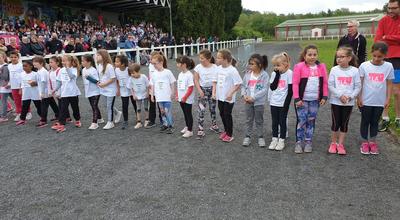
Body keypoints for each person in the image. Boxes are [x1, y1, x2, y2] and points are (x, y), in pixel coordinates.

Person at [358, 42, 394, 155]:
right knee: (365, 121)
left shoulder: (388, 66)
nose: (377, 58)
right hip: (366, 100)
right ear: (371, 53)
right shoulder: (364, 66)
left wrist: (388, 99)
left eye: (380, 56)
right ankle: (364, 142)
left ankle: (372, 142)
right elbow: (360, 83)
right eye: (374, 56)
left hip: (379, 101)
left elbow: (389, 84)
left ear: (385, 55)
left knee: (374, 122)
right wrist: (359, 97)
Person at [292, 45, 328, 153]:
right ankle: (298, 142)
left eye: (314, 54)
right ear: (304, 55)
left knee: (311, 121)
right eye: (309, 54)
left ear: (317, 55)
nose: (312, 57)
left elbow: (325, 83)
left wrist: (324, 96)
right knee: (302, 121)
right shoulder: (299, 66)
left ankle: (308, 142)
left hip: (314, 101)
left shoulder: (321, 67)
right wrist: (297, 98)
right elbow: (295, 84)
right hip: (302, 100)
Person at [328, 47, 361, 155]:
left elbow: (357, 86)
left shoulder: (355, 71)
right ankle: (333, 143)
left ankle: (340, 144)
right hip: (336, 101)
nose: (339, 59)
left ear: (349, 58)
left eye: (342, 57)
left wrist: (350, 97)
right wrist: (340, 96)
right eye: (337, 57)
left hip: (348, 102)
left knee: (344, 123)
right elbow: (331, 85)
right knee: (335, 123)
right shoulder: (334, 70)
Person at [375, 0, 400, 131]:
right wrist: (392, 38)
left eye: (394, 8)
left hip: (397, 59)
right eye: (389, 8)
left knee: (396, 91)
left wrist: (387, 37)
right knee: (384, 89)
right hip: (384, 58)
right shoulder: (383, 21)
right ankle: (384, 118)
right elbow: (378, 39)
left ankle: (398, 118)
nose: (390, 11)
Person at [241, 54, 269, 147]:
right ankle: (247, 136)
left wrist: (254, 97)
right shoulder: (248, 74)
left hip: (259, 103)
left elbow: (264, 89)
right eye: (249, 64)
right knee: (249, 120)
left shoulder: (264, 75)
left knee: (259, 120)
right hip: (248, 102)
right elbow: (243, 86)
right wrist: (244, 95)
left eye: (252, 64)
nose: (250, 66)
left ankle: (260, 137)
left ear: (259, 65)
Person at [215, 49, 242, 142]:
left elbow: (238, 84)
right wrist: (214, 93)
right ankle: (226, 131)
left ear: (225, 59)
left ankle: (230, 134)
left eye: (219, 58)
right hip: (220, 97)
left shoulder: (232, 70)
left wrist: (230, 93)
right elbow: (215, 82)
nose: (216, 59)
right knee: (222, 113)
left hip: (229, 98)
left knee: (227, 114)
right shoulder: (218, 69)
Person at [268, 52, 293, 151]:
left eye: (278, 65)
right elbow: (272, 87)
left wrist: (286, 105)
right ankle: (274, 139)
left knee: (282, 122)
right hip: (274, 102)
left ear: (286, 64)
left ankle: (281, 140)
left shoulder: (290, 73)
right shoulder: (274, 73)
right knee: (274, 122)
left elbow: (290, 92)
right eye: (274, 65)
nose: (276, 67)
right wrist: (277, 74)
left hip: (283, 103)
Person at [51, 55, 82, 133]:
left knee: (75, 108)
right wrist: (55, 89)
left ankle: (77, 120)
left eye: (65, 61)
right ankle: (61, 124)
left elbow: (71, 76)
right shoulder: (61, 70)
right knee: (63, 109)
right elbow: (59, 81)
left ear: (71, 62)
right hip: (64, 93)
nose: (63, 62)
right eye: (62, 61)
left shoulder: (74, 69)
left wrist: (68, 68)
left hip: (73, 93)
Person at [193, 49, 220, 139]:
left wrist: (214, 92)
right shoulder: (198, 67)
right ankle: (200, 129)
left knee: (212, 109)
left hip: (213, 90)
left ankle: (214, 125)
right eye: (199, 58)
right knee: (201, 110)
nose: (200, 60)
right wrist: (199, 90)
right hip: (202, 91)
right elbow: (196, 80)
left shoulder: (215, 67)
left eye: (202, 58)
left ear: (208, 59)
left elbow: (217, 81)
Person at [149, 53, 176, 134]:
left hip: (167, 96)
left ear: (161, 62)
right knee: (162, 111)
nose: (154, 65)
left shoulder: (168, 72)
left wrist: (173, 92)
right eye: (152, 63)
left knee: (167, 111)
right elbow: (152, 85)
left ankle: (171, 125)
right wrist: (152, 96)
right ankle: (165, 124)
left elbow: (172, 83)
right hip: (159, 97)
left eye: (155, 63)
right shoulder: (154, 74)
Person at [96, 49, 122, 130]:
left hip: (110, 90)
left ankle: (110, 122)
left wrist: (104, 84)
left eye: (98, 55)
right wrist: (99, 83)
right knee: (106, 105)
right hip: (103, 89)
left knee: (108, 106)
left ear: (103, 56)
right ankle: (117, 113)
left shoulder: (109, 66)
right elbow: (102, 77)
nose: (96, 57)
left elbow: (113, 78)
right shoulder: (99, 66)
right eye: (96, 55)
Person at [33, 56, 59, 127]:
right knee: (52, 103)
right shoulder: (39, 71)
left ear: (41, 63)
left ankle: (43, 120)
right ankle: (58, 115)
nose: (33, 63)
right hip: (47, 91)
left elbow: (43, 83)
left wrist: (41, 92)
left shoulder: (43, 72)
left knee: (44, 106)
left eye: (36, 62)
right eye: (33, 62)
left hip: (45, 92)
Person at [15, 61, 41, 126]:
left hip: (34, 92)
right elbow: (21, 83)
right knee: (25, 106)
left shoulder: (35, 74)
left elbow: (39, 83)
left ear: (31, 66)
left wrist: (35, 83)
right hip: (26, 92)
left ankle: (43, 118)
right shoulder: (21, 74)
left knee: (38, 106)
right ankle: (22, 119)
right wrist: (20, 89)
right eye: (23, 66)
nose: (24, 67)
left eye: (26, 66)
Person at [115, 54, 137, 129]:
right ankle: (125, 121)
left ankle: (138, 118)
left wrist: (134, 90)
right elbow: (117, 81)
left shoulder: (128, 69)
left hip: (131, 90)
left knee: (135, 104)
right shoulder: (116, 70)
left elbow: (133, 79)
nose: (115, 63)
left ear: (123, 64)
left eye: (117, 62)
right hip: (123, 90)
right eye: (115, 61)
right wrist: (118, 90)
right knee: (124, 105)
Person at [8, 51, 31, 121]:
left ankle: (28, 112)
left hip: (22, 86)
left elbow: (24, 76)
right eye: (11, 57)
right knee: (16, 101)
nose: (13, 58)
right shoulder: (9, 66)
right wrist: (9, 83)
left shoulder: (21, 65)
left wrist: (22, 86)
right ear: (9, 58)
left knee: (24, 100)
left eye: (15, 57)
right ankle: (19, 113)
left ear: (18, 58)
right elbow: (9, 76)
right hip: (13, 86)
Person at [81, 54, 103, 130]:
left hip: (96, 91)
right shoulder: (83, 70)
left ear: (89, 62)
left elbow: (97, 81)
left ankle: (94, 123)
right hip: (89, 91)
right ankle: (100, 118)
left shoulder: (93, 70)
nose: (82, 62)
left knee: (94, 106)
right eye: (82, 61)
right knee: (94, 106)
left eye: (83, 61)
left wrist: (89, 78)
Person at [176, 56, 196, 138]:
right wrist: (177, 95)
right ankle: (187, 126)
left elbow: (190, 88)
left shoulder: (189, 75)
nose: (177, 65)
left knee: (188, 114)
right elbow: (178, 86)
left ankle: (190, 130)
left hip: (187, 99)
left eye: (178, 63)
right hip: (181, 98)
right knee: (185, 113)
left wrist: (185, 97)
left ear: (184, 64)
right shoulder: (180, 74)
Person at [127, 63, 150, 129]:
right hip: (137, 96)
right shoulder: (131, 78)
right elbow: (131, 87)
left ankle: (147, 120)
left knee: (146, 107)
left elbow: (147, 85)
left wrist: (147, 93)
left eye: (133, 73)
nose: (132, 75)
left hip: (144, 94)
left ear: (138, 71)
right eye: (131, 73)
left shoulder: (144, 77)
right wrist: (133, 95)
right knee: (138, 108)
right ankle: (139, 122)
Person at [0, 52, 11, 122]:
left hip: (6, 86)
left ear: (3, 58)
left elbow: (5, 77)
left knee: (3, 101)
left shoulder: (5, 66)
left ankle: (4, 116)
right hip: (3, 86)